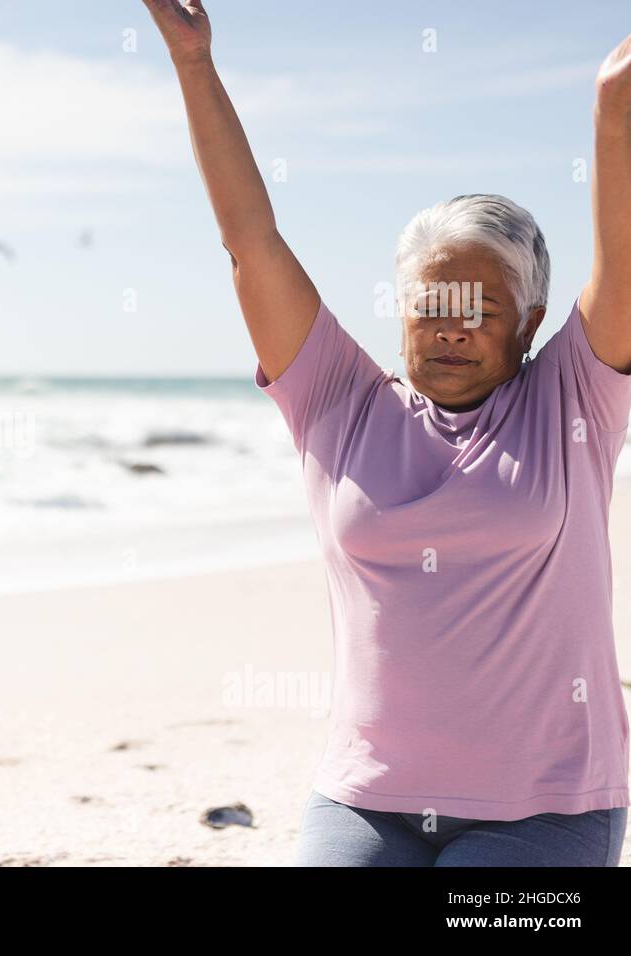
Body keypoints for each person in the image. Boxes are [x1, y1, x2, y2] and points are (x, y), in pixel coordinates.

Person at [142, 0, 631, 865]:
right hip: (368, 800)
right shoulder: (336, 399)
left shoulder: (573, 400)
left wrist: (612, 111)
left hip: (549, 808)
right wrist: (194, 65)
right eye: (429, 305)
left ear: (531, 323)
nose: (450, 328)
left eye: (479, 311)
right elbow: (251, 243)